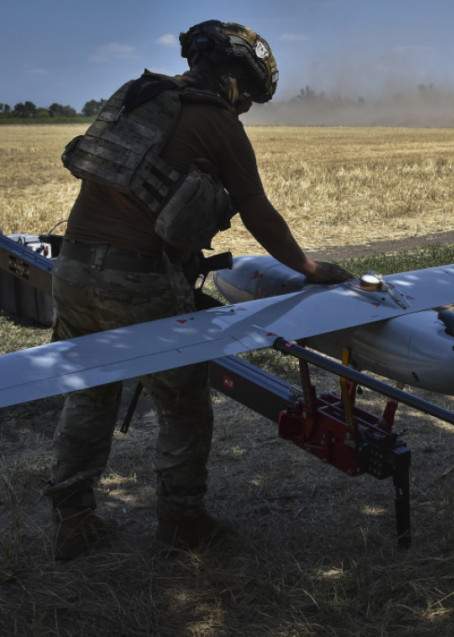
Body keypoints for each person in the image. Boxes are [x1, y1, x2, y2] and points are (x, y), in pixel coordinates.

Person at [46, 20, 354, 560]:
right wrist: (309, 267)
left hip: (72, 268)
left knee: (89, 393)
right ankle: (182, 521)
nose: (246, 108)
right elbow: (257, 210)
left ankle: (74, 521)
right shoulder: (215, 122)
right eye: (249, 96)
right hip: (139, 279)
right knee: (183, 401)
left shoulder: (141, 96)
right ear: (235, 79)